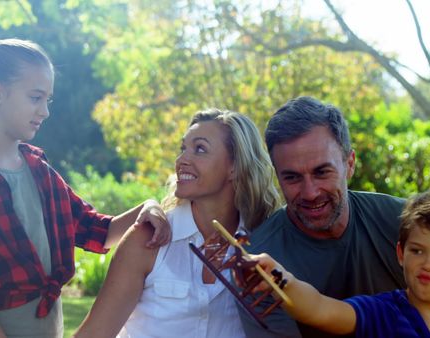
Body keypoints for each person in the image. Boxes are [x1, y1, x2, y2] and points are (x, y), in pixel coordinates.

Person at [0, 39, 170, 338]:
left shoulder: (41, 172)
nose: (44, 111)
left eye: (48, 100)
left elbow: (96, 230)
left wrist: (148, 205)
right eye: (35, 97)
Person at [240, 96, 430, 337]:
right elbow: (315, 308)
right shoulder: (260, 261)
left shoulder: (409, 224)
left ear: (349, 164)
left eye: (322, 172)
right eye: (292, 177)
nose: (310, 192)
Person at [72, 109, 281, 338]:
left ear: (235, 166)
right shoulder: (147, 240)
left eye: (200, 149)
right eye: (183, 149)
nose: (181, 160)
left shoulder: (263, 243)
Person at [250, 191, 430, 337]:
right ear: (401, 254)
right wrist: (279, 277)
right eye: (417, 251)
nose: (428, 264)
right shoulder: (381, 313)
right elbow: (319, 309)